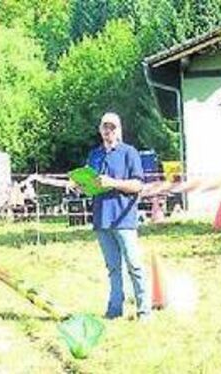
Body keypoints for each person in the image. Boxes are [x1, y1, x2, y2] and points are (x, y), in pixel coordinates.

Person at [86, 112, 151, 320]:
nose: (108, 131)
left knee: (134, 265)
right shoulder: (94, 155)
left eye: (112, 127)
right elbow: (90, 185)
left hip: (123, 219)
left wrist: (113, 183)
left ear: (119, 130)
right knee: (113, 268)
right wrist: (79, 186)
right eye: (105, 127)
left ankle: (144, 310)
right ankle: (114, 310)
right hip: (101, 219)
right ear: (100, 129)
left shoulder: (129, 152)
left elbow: (138, 185)